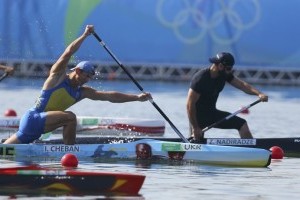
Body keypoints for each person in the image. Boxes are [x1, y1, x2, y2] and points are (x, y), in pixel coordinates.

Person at [4, 25, 152, 145]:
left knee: (5, 151)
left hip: (37, 128)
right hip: (33, 118)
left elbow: (109, 96)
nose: (87, 80)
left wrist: (137, 98)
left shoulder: (82, 92)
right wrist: (85, 35)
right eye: (86, 76)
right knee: (70, 117)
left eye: (90, 78)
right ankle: (70, 151)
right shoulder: (58, 76)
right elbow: (67, 53)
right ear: (78, 71)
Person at [186, 52, 268, 142]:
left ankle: (253, 152)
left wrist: (259, 94)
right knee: (196, 143)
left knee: (242, 124)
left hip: (212, 114)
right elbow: (190, 105)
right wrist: (195, 127)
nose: (230, 71)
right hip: (197, 119)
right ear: (220, 66)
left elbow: (242, 85)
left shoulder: (224, 75)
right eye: (229, 68)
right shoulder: (200, 79)